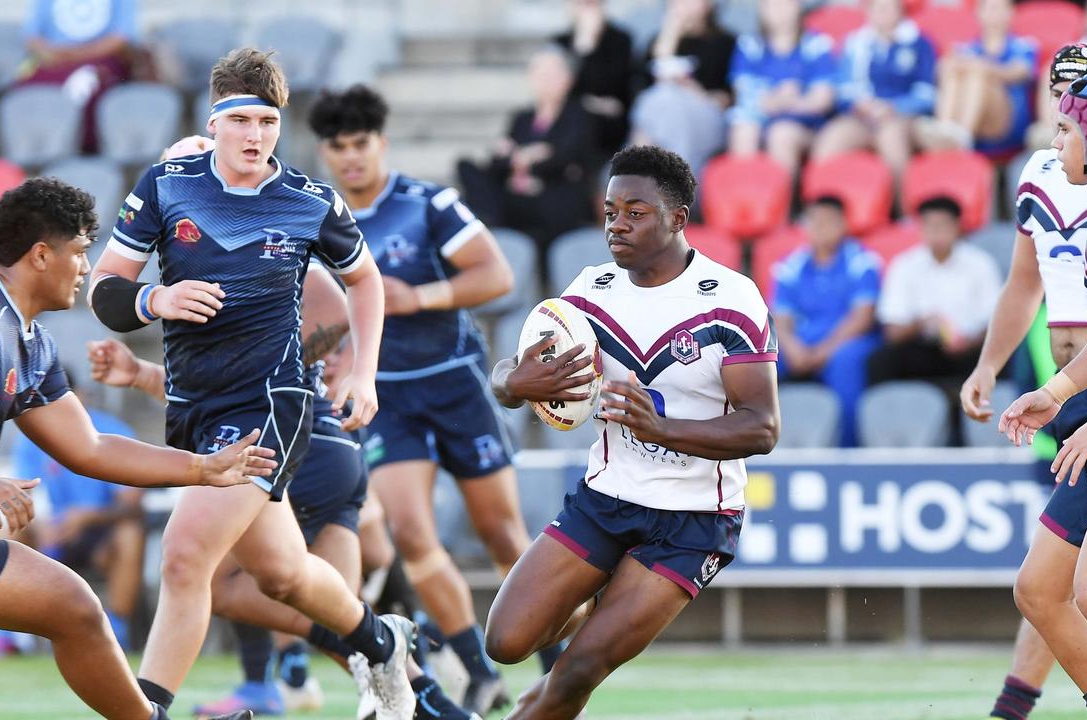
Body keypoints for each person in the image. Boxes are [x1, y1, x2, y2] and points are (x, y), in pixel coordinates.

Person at [86, 49, 416, 719]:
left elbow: (365, 280)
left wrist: (363, 372)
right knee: (283, 576)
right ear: (214, 122)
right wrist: (156, 302)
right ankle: (382, 643)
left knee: (183, 557)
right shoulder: (166, 184)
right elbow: (103, 287)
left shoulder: (306, 198)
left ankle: (145, 708)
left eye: (267, 120)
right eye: (241, 119)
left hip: (271, 403)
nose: (255, 135)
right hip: (193, 405)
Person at [0, 177, 275, 720]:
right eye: (82, 252)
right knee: (73, 606)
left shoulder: (31, 342)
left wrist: (201, 468)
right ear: (42, 255)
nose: (88, 269)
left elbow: (89, 447)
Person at [487, 144, 779, 719]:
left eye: (635, 212)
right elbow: (512, 375)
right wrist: (511, 384)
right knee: (506, 642)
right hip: (606, 499)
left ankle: (597, 633)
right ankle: (593, 609)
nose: (616, 225)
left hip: (694, 520)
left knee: (574, 675)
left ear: (678, 219)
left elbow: (762, 427)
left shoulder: (732, 299)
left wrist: (661, 428)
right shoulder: (590, 290)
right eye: (610, 211)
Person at [311, 84, 542, 717]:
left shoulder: (426, 203)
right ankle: (478, 671)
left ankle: (557, 662)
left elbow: (497, 276)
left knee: (501, 533)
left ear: (381, 143)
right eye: (339, 148)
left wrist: (419, 297)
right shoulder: (317, 217)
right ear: (326, 153)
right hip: (386, 395)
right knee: (413, 532)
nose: (351, 158)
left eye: (362, 144)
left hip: (454, 382)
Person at [959, 43, 1087, 720]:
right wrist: (1054, 392)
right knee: (1049, 587)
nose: (1057, 136)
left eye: (1070, 123)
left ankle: (1022, 708)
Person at [12, 374, 144, 649]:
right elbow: (24, 492)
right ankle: (15, 630)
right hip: (50, 535)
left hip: (99, 538)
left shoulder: (112, 430)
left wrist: (88, 516)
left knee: (130, 534)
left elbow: (132, 505)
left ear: (80, 395)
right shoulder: (30, 435)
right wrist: (40, 521)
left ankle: (116, 632)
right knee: (7, 524)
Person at [457, 45, 599, 256]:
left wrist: (525, 163)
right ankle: (489, 222)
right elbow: (497, 163)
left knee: (556, 197)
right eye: (539, 74)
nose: (544, 81)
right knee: (466, 167)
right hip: (517, 195)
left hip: (553, 197)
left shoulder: (578, 115)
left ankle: (490, 225)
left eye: (551, 75)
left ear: (567, 79)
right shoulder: (522, 118)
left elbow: (567, 158)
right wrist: (527, 157)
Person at [772, 196, 881, 447]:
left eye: (828, 222)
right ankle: (752, 443)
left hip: (847, 339)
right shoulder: (791, 265)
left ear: (844, 225)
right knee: (757, 361)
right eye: (814, 222)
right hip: (803, 340)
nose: (820, 228)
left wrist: (824, 351)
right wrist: (792, 348)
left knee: (845, 363)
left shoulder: (862, 261)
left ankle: (847, 448)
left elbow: (862, 318)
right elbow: (781, 317)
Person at [868, 196, 1002, 391]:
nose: (937, 232)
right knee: (880, 360)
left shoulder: (980, 264)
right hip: (921, 347)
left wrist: (969, 342)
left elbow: (996, 322)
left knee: (997, 358)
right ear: (920, 229)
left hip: (972, 348)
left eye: (943, 225)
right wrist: (922, 323)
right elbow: (892, 330)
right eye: (931, 226)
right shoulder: (904, 265)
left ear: (958, 227)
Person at [811, 0, 935, 184]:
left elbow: (927, 95)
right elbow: (843, 88)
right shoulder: (855, 43)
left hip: (900, 116)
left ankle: (903, 209)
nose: (881, 12)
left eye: (887, 7)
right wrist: (858, 104)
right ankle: (823, 205)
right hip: (861, 116)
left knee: (891, 140)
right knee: (830, 141)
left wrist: (894, 106)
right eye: (876, 7)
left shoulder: (919, 44)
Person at [727, 0, 837, 173]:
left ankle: (782, 198)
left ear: (798, 6)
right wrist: (781, 98)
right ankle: (747, 195)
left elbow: (823, 101)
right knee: (743, 128)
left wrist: (784, 102)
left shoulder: (816, 44)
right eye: (771, 3)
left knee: (781, 134)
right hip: (760, 119)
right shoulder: (750, 44)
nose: (779, 8)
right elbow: (744, 93)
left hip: (807, 127)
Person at [628, 0, 736, 175]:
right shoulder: (657, 42)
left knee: (672, 105)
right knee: (665, 96)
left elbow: (728, 97)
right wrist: (671, 31)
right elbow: (647, 87)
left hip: (705, 118)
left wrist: (694, 91)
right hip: (661, 116)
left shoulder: (725, 42)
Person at [19, 0, 139, 152]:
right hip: (56, 60)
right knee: (28, 89)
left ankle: (84, 153)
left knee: (86, 86)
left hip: (100, 60)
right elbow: (32, 36)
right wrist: (52, 53)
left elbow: (122, 37)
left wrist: (79, 54)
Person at [919, 0, 1036, 154]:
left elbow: (1020, 72)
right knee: (953, 71)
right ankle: (945, 129)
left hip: (1007, 124)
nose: (994, 14)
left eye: (999, 8)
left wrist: (980, 67)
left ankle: (961, 138)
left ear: (1011, 12)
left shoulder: (1022, 45)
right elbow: (943, 69)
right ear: (978, 13)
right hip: (978, 124)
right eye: (989, 8)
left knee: (977, 74)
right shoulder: (967, 48)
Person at [553, 0, 636, 158]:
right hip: (567, 120)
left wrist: (590, 46)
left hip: (608, 126)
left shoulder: (620, 40)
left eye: (591, 4)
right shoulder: (561, 42)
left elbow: (612, 86)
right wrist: (583, 48)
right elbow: (560, 90)